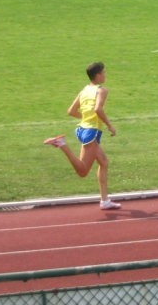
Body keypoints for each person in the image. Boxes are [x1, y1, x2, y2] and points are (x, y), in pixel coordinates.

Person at [43, 62, 121, 210]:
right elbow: (98, 109)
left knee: (103, 162)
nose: (105, 75)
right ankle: (62, 144)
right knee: (83, 171)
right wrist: (109, 125)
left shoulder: (85, 90)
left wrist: (86, 117)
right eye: (103, 72)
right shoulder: (102, 90)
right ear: (98, 75)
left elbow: (71, 111)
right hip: (91, 132)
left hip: (83, 129)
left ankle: (104, 201)